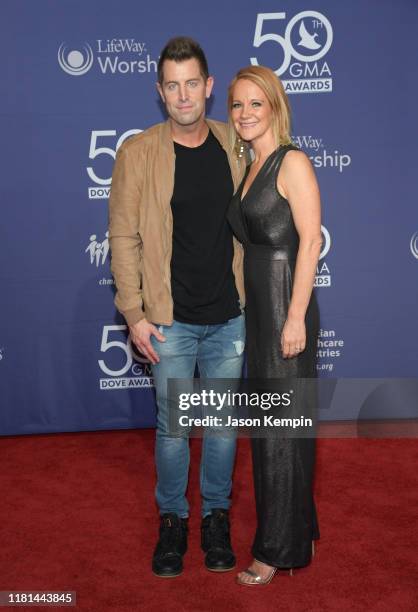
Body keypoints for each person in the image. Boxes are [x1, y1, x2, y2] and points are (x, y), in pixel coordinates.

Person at [108, 37, 246, 578]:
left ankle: (215, 516)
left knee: (220, 425)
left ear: (209, 88)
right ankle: (173, 520)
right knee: (172, 428)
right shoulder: (137, 153)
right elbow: (123, 238)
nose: (183, 95)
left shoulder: (238, 144)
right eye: (172, 85)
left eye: (193, 83)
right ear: (160, 92)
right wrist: (134, 313)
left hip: (229, 316)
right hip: (169, 321)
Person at [226, 65, 322, 585]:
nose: (245, 114)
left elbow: (309, 242)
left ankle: (276, 550)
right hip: (261, 310)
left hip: (288, 308)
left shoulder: (293, 161)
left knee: (280, 433)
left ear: (275, 107)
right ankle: (296, 526)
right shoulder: (249, 164)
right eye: (237, 105)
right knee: (271, 429)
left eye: (255, 104)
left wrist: (295, 317)